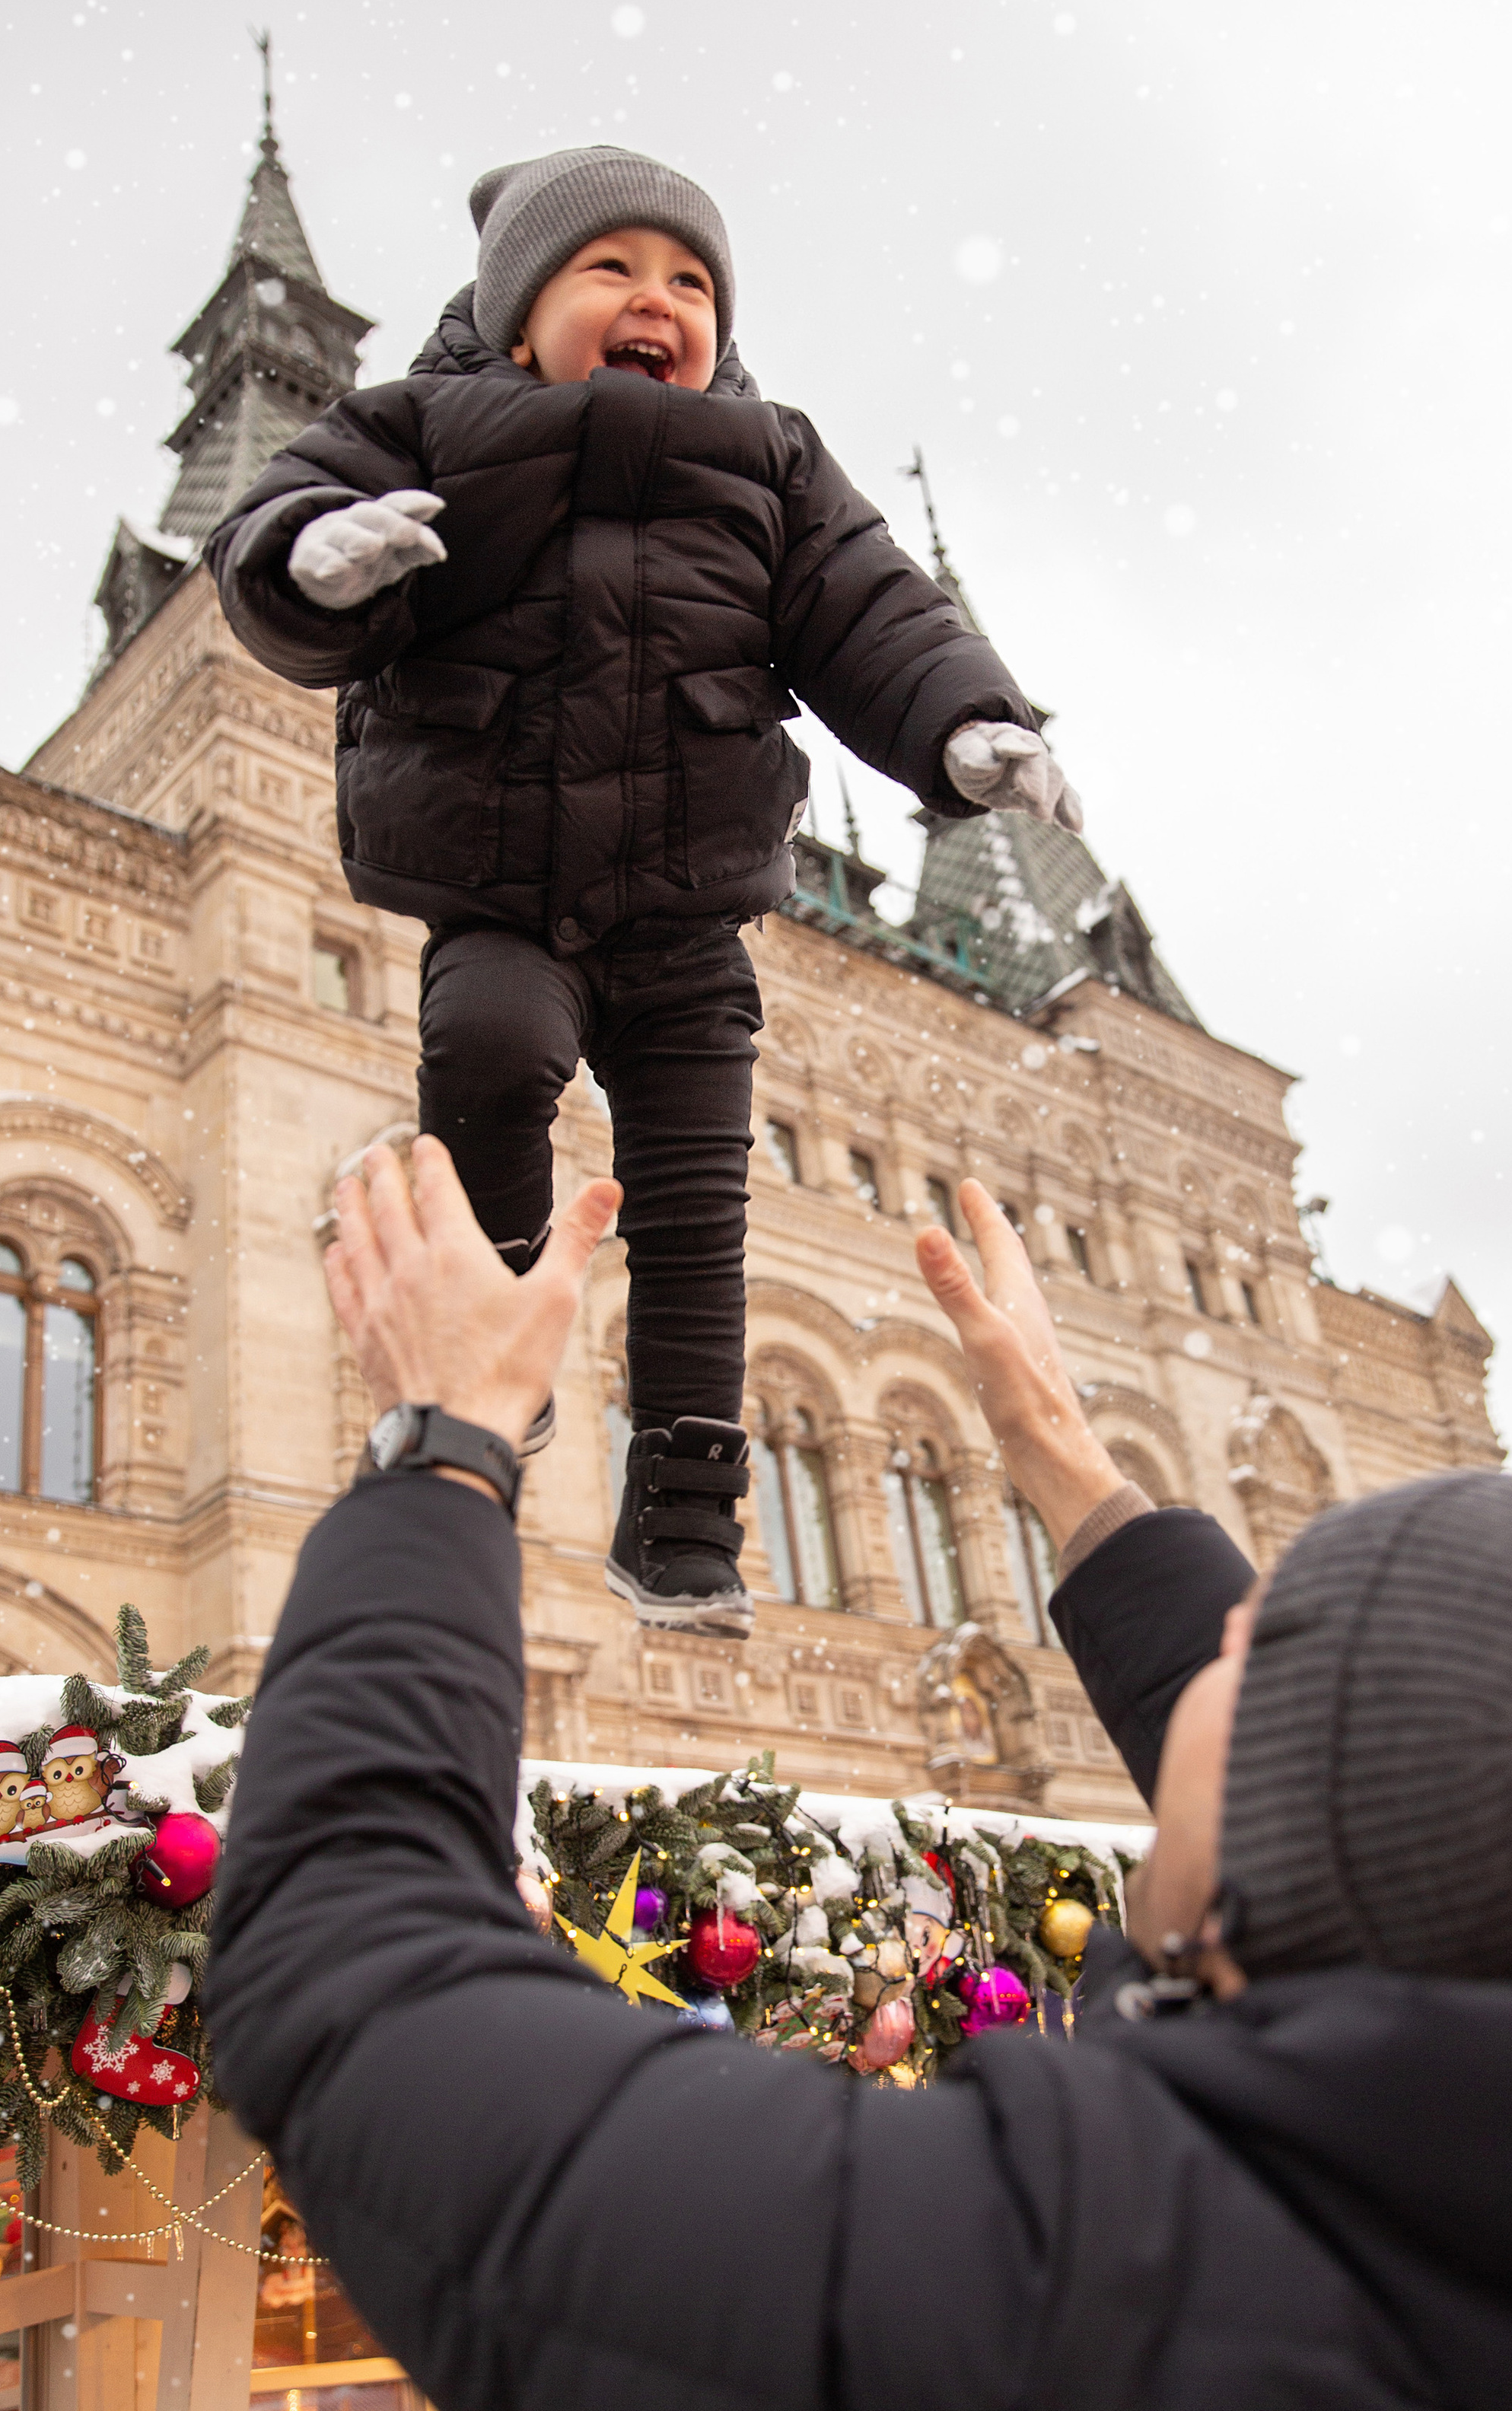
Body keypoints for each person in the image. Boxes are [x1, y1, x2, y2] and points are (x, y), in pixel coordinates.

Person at [208, 1139, 1512, 2411]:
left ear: (1303, 1831)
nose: (1212, 1646)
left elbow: (354, 1971)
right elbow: (1387, 1783)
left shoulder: (1061, 2322)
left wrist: (444, 1447)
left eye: (1253, 1648)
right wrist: (1068, 1468)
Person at [205, 143, 1076, 1642]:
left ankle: (685, 1514)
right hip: (497, 876)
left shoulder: (770, 462)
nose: (655, 299)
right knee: (483, 1051)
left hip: (684, 898)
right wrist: (309, 560)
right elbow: (270, 521)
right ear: (516, 305)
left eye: (688, 280)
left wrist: (964, 727)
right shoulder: (427, 424)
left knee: (694, 1198)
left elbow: (871, 609)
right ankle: (494, 1359)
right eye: (608, 269)